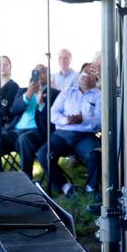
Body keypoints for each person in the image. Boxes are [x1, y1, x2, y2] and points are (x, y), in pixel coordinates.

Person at [38, 63, 102, 195]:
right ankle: (66, 187)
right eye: (83, 71)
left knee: (95, 155)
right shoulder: (67, 92)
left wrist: (82, 120)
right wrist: (67, 120)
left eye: (90, 73)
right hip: (62, 134)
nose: (85, 75)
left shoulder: (99, 96)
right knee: (43, 154)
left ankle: (90, 188)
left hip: (85, 136)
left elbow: (100, 120)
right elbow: (53, 114)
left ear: (96, 79)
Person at [15, 65, 59, 180]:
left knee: (24, 139)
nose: (39, 75)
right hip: (16, 130)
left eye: (42, 72)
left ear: (48, 77)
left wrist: (41, 104)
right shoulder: (23, 91)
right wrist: (28, 95)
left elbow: (52, 119)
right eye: (36, 72)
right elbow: (13, 110)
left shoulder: (54, 94)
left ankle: (26, 179)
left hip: (37, 131)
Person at [0, 55, 20, 131]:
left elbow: (5, 108)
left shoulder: (14, 86)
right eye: (0, 64)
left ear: (10, 67)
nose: (2, 67)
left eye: (5, 65)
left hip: (6, 124)